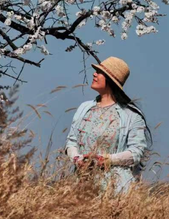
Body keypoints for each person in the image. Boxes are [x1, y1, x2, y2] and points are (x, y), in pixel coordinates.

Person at [65, 56, 153, 194]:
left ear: (110, 80)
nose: (94, 74)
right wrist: (77, 159)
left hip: (115, 187)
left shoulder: (131, 115)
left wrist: (107, 159)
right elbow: (71, 142)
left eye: (100, 72)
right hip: (81, 183)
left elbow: (136, 152)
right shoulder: (84, 108)